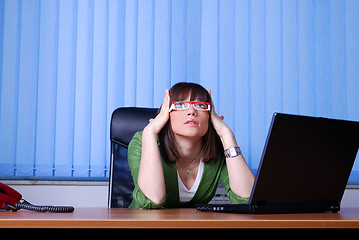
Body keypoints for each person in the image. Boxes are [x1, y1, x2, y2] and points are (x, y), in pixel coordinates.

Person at [128, 82, 255, 208]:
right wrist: (150, 132)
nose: (191, 111)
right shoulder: (143, 140)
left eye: (200, 105)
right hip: (145, 226)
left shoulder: (219, 147)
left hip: (194, 226)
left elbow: (246, 199)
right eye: (180, 104)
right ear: (166, 113)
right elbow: (152, 200)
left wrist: (227, 134)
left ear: (210, 116)